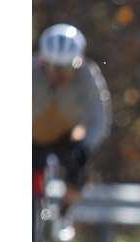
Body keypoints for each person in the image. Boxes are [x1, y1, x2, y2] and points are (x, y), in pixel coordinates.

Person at [33, 25, 110, 210]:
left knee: (79, 167)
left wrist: (85, 145)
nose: (59, 74)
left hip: (66, 137)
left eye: (67, 67)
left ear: (77, 61)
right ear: (43, 61)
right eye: (54, 66)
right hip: (31, 136)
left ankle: (64, 212)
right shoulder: (30, 72)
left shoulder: (87, 78)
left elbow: (98, 120)